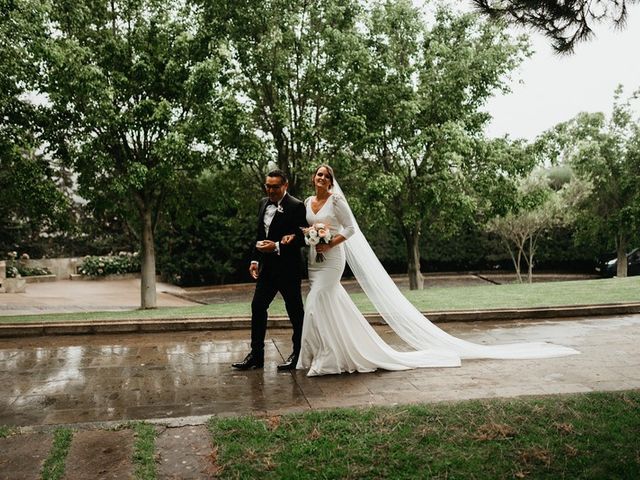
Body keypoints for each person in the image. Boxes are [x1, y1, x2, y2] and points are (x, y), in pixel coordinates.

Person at [283, 165, 579, 376]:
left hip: (333, 259)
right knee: (328, 304)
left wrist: (329, 242)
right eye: (318, 174)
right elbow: (306, 226)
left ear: (331, 181)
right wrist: (311, 236)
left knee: (314, 304)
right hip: (314, 260)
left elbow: (351, 229)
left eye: (325, 175)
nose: (320, 178)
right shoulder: (309, 202)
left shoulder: (336, 200)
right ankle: (333, 353)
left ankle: (319, 357)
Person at [232, 170, 308, 371]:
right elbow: (259, 234)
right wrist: (255, 260)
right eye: (268, 186)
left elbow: (302, 238)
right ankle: (257, 356)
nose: (271, 190)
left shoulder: (297, 206)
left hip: (289, 269)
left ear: (285, 186)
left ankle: (297, 354)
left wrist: (276, 246)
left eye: (275, 186)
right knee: (257, 307)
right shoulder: (263, 203)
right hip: (267, 269)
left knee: (295, 312)